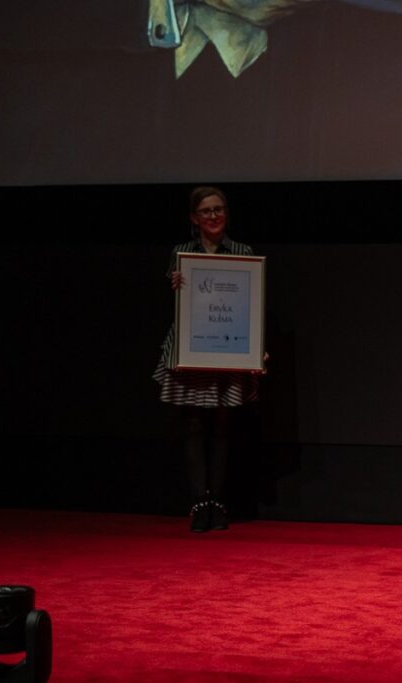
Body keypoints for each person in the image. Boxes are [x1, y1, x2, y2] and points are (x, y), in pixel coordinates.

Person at [153, 186, 261, 533]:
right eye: (206, 211)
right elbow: (178, 304)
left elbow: (251, 305)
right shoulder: (182, 253)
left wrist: (256, 344)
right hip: (193, 348)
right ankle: (199, 502)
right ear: (194, 218)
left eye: (218, 209)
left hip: (227, 349)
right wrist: (175, 285)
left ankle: (218, 503)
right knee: (193, 425)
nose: (213, 216)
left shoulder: (243, 252)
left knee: (222, 426)